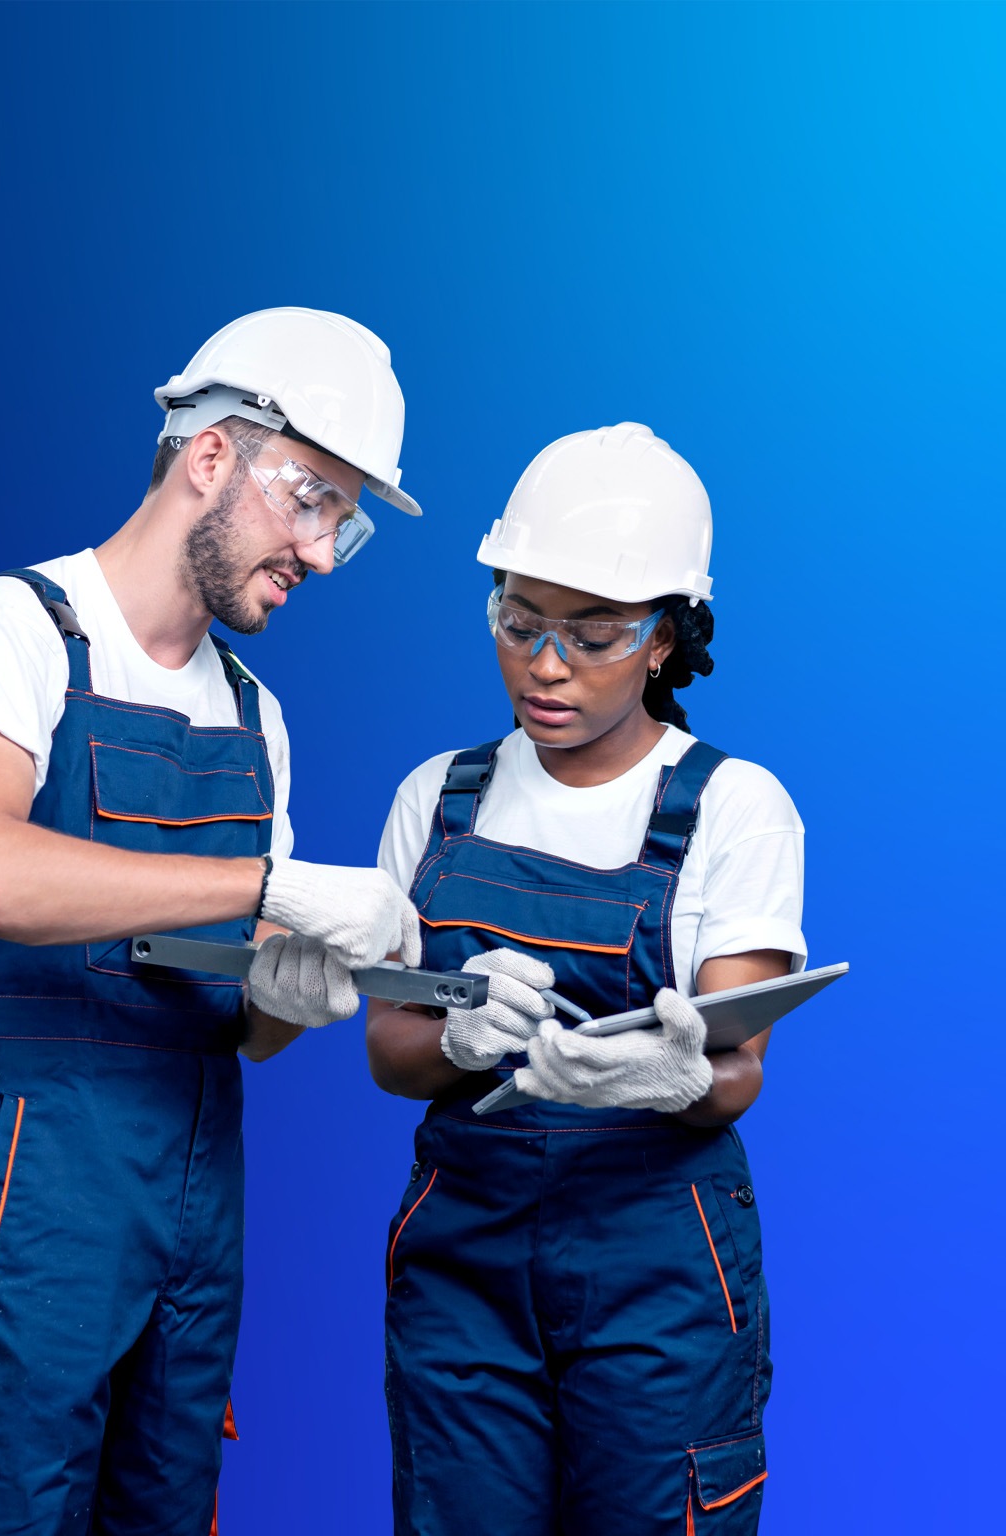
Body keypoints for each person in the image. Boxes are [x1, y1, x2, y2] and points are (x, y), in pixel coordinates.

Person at [0, 307, 424, 1536]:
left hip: (189, 1216)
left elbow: (234, 1027)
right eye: (312, 502)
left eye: (347, 521)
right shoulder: (10, 632)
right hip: (18, 1202)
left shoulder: (255, 720)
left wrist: (298, 993)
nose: (325, 553)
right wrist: (268, 889)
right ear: (213, 456)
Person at [367, 424, 806, 1535]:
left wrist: (662, 1077)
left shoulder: (732, 805)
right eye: (519, 623)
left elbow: (734, 1064)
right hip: (463, 1252)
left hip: (655, 1260)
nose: (546, 665)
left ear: (666, 640)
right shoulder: (441, 796)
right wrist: (458, 1040)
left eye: (594, 636)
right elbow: (388, 1050)